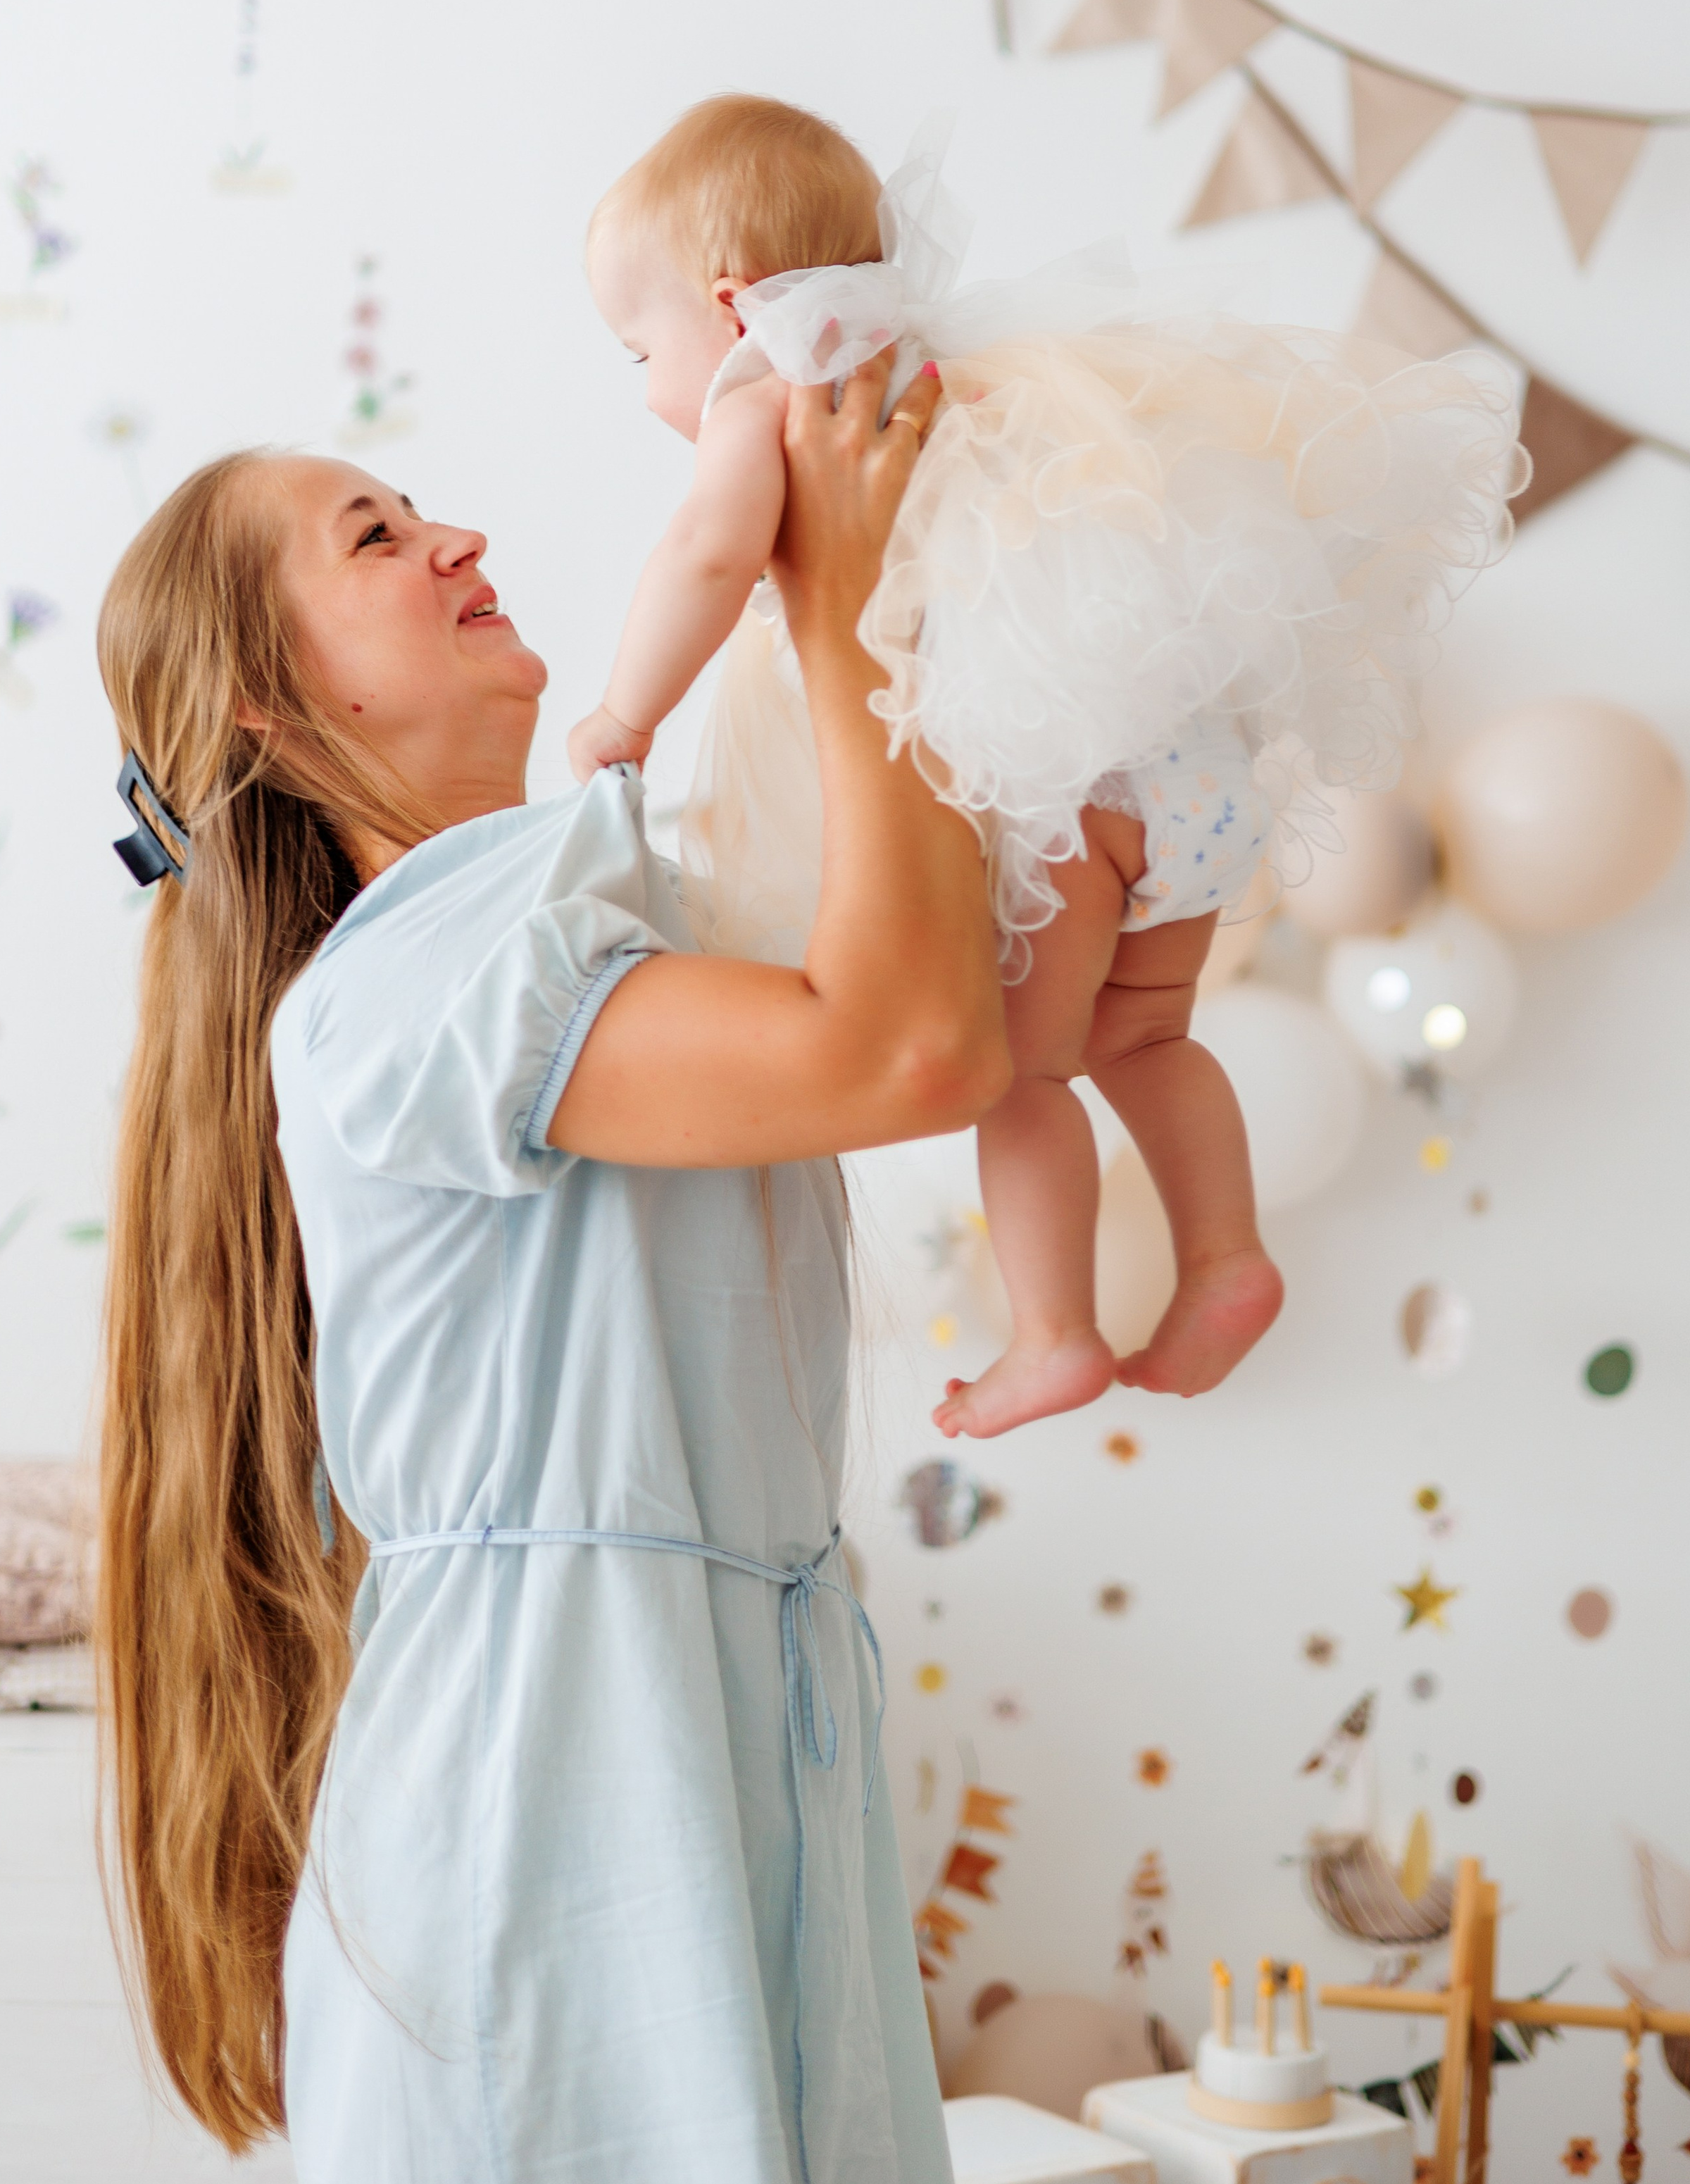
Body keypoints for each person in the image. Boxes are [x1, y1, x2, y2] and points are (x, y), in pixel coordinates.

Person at [94, 350, 1002, 2184]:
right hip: (564, 1783)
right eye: (378, 534)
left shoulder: (573, 921)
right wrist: (842, 596)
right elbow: (907, 1053)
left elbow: (937, 1016)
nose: (457, 539)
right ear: (273, 700)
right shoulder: (425, 980)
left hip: (674, 1734)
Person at [570, 95, 1527, 1437]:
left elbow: (708, 560)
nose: (650, 386)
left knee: (1019, 1073)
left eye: (639, 349)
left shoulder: (777, 385)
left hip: (1071, 786)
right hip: (1196, 757)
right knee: (1150, 1032)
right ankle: (1223, 1258)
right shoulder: (946, 356)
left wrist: (625, 714)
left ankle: (1056, 1333)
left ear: (728, 306)